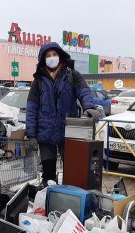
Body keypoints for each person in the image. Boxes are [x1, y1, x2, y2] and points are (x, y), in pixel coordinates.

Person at [26, 42, 100, 186]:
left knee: (73, 172)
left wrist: (89, 106)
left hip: (68, 132)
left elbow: (84, 91)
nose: (52, 58)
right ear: (42, 59)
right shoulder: (38, 81)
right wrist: (31, 135)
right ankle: (50, 200)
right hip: (45, 134)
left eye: (54, 54)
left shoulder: (72, 75)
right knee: (48, 177)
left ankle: (71, 199)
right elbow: (31, 108)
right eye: (48, 56)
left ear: (60, 56)